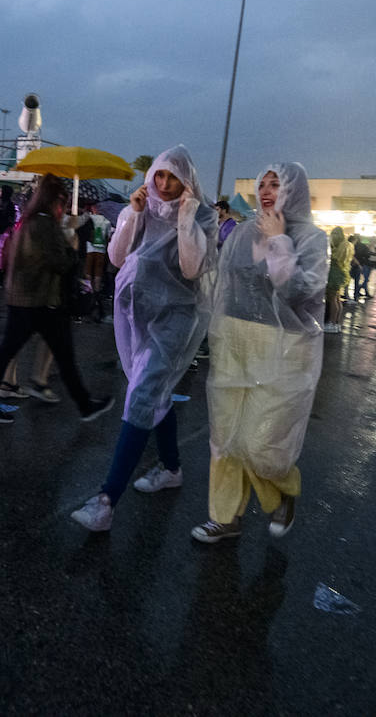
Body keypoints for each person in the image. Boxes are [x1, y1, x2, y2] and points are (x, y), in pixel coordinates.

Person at [71, 146, 215, 532]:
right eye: (159, 176)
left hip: (177, 318)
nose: (164, 185)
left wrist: (185, 219)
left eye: (173, 177)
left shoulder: (203, 215)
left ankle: (106, 500)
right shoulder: (141, 208)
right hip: (137, 313)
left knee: (141, 393)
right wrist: (133, 215)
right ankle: (171, 468)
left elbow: (191, 267)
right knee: (155, 392)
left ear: (187, 180)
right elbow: (117, 258)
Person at [192, 162, 326, 543]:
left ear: (294, 190)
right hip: (235, 339)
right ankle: (225, 516)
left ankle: (281, 489)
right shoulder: (242, 232)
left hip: (284, 346)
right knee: (225, 436)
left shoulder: (312, 238)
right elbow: (223, 286)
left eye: (276, 184)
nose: (266, 191)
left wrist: (279, 242)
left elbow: (302, 294)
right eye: (262, 183)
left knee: (260, 442)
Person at [0, 174, 112, 424]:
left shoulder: (31, 220)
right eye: (62, 198)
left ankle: (83, 404)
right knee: (26, 353)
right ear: (55, 199)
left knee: (56, 354)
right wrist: (71, 248)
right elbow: (60, 262)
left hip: (29, 299)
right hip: (36, 302)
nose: (63, 203)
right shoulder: (44, 223)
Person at [82, 199, 112, 297]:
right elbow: (108, 237)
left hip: (89, 249)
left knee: (88, 270)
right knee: (98, 271)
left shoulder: (89, 218)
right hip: (101, 250)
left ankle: (89, 290)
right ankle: (97, 291)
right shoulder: (107, 222)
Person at [325, 226, 350, 333]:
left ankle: (331, 323)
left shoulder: (338, 246)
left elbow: (333, 258)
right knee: (337, 299)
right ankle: (337, 323)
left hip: (333, 274)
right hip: (340, 274)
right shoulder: (346, 245)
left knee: (332, 299)